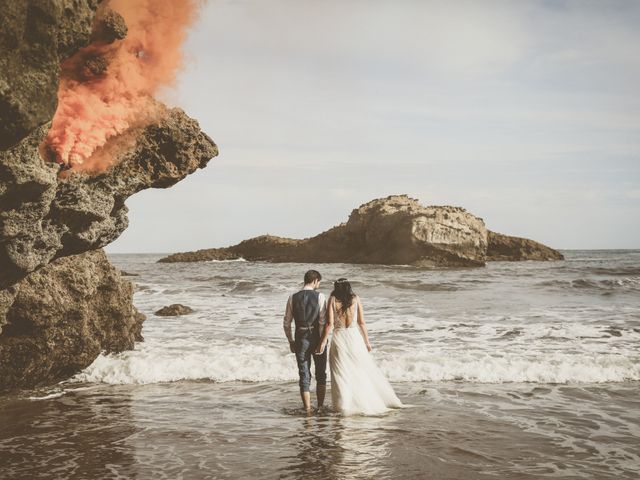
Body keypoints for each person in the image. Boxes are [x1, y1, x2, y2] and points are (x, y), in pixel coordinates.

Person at [315, 278, 403, 415]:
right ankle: (364, 402)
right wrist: (367, 342)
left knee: (341, 373)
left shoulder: (332, 299)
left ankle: (343, 405)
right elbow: (361, 322)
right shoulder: (355, 299)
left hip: (339, 339)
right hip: (355, 339)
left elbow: (329, 325)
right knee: (359, 371)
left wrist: (322, 342)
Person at [283, 269, 327, 413]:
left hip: (300, 338)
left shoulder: (292, 297)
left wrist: (291, 340)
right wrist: (322, 342)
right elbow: (322, 322)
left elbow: (286, 323)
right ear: (315, 281)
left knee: (304, 373)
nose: (319, 284)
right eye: (319, 282)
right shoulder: (320, 297)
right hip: (317, 337)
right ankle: (320, 407)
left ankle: (307, 409)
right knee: (321, 373)